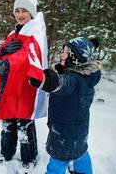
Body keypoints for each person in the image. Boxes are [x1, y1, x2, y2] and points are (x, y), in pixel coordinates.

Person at [0, 0, 48, 172]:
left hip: (25, 85)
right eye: (17, 11)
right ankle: (6, 152)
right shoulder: (14, 33)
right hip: (10, 85)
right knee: (7, 122)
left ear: (32, 13)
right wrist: (2, 52)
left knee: (24, 124)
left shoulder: (35, 32)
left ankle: (29, 156)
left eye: (24, 11)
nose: (20, 14)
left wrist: (6, 64)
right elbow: (5, 53)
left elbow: (27, 55)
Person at [28, 37, 101, 174]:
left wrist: (44, 80)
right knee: (81, 153)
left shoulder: (72, 81)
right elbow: (70, 83)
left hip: (64, 134)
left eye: (66, 52)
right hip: (79, 132)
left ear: (75, 58)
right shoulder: (87, 78)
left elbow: (60, 83)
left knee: (58, 161)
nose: (62, 54)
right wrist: (63, 70)